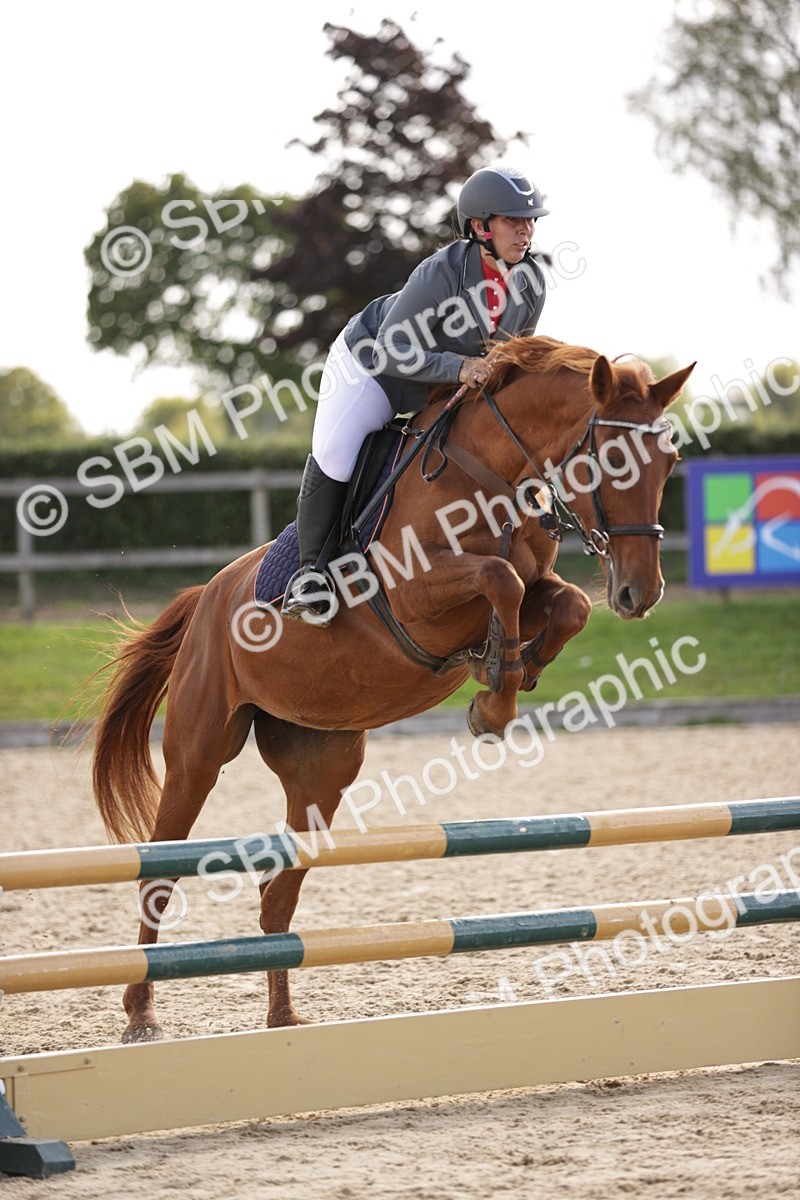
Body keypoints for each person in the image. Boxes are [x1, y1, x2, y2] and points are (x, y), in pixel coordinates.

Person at [281, 165, 551, 624]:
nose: (525, 231)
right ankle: (311, 573)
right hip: (369, 369)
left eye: (530, 221)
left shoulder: (532, 283)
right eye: (513, 220)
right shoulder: (441, 272)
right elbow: (389, 350)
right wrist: (459, 367)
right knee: (336, 454)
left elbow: (510, 363)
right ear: (480, 226)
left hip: (439, 385)